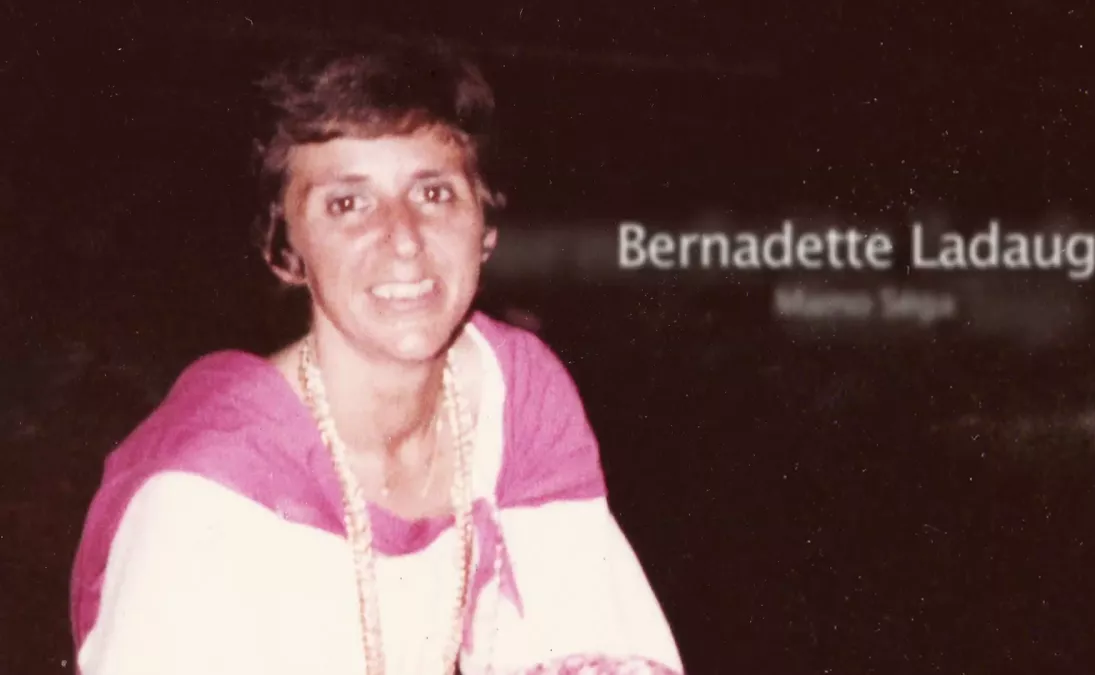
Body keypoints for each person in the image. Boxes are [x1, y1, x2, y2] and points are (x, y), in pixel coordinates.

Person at [69, 42, 684, 675]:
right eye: (348, 204)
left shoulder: (514, 399)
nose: (403, 238)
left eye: (434, 193)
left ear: (486, 226)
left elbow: (591, 632)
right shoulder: (207, 497)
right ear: (285, 250)